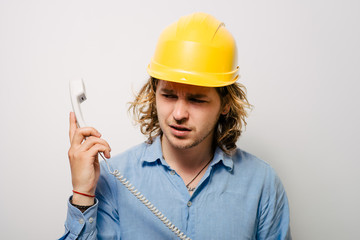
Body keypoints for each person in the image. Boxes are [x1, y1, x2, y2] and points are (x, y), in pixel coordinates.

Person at [60, 12, 291, 240]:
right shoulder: (113, 179)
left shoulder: (263, 184)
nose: (179, 114)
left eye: (197, 100)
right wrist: (82, 195)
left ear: (225, 104)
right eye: (169, 96)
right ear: (154, 95)